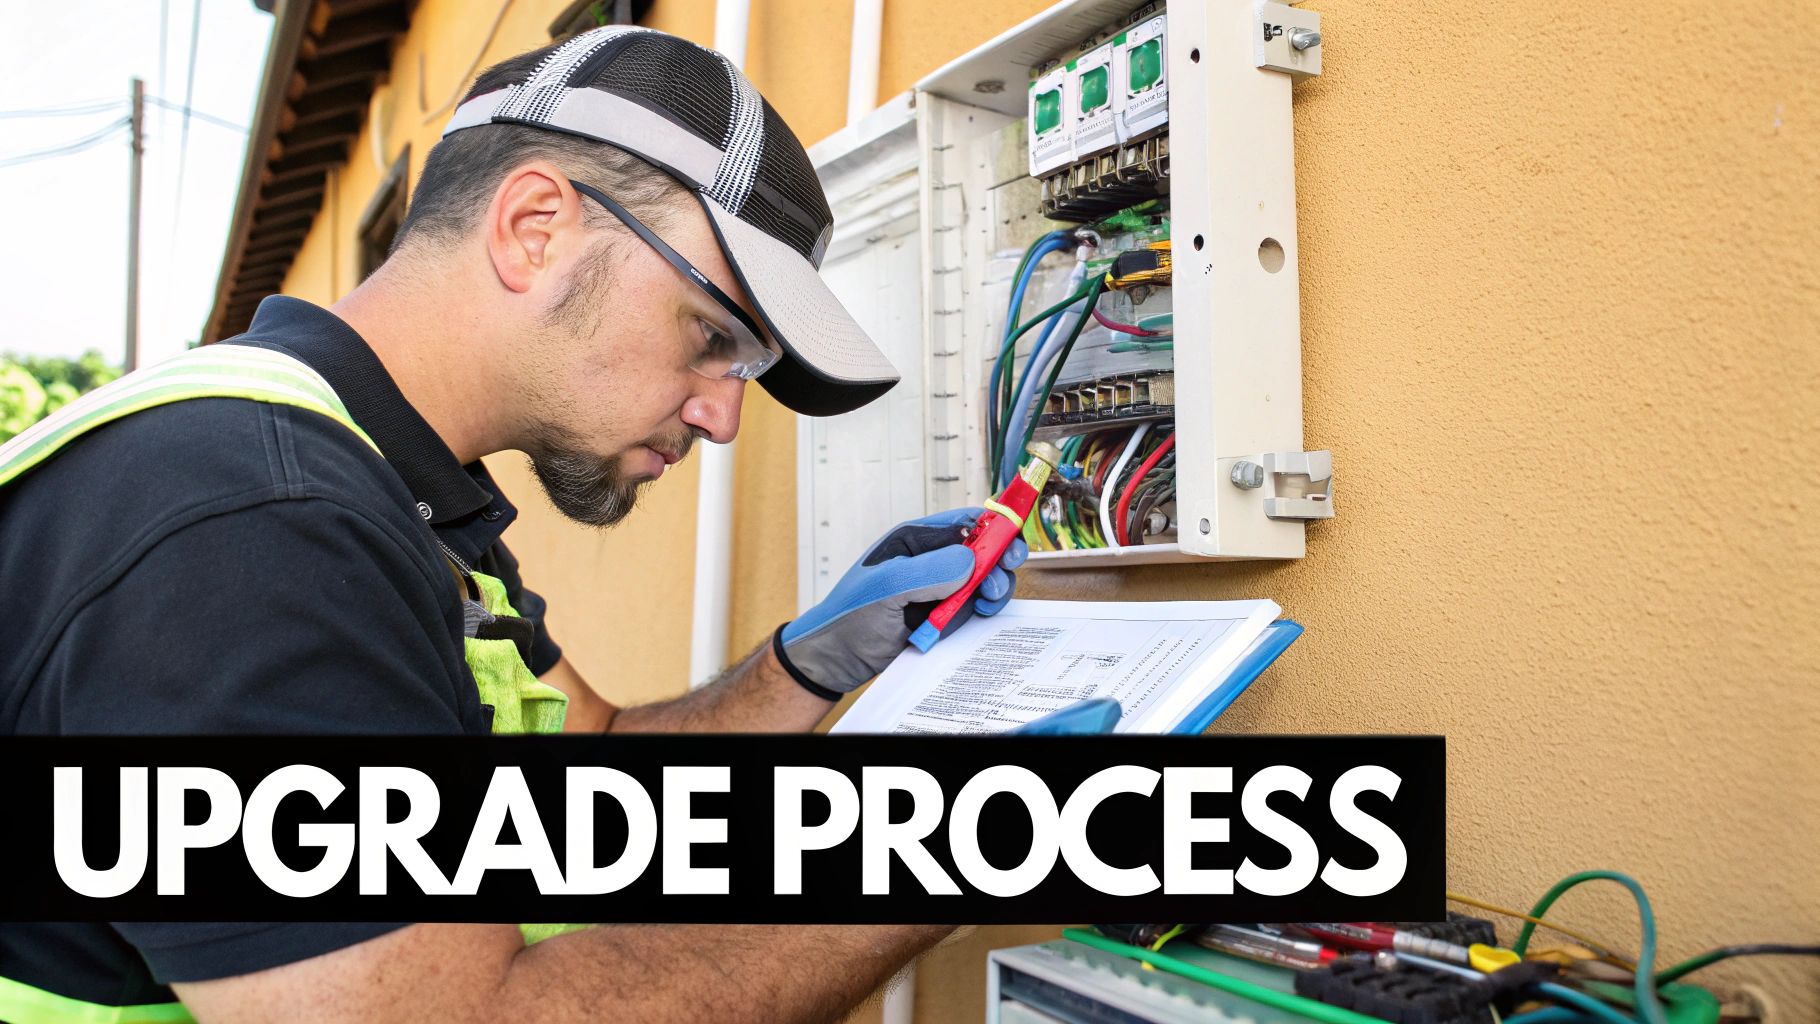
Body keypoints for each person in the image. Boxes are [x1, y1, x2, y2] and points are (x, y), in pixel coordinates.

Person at [0, 26, 1026, 1024]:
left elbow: (599, 761)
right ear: (535, 227)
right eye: (712, 337)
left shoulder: (397, 491)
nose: (721, 416)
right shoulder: (257, 527)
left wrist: (801, 665)